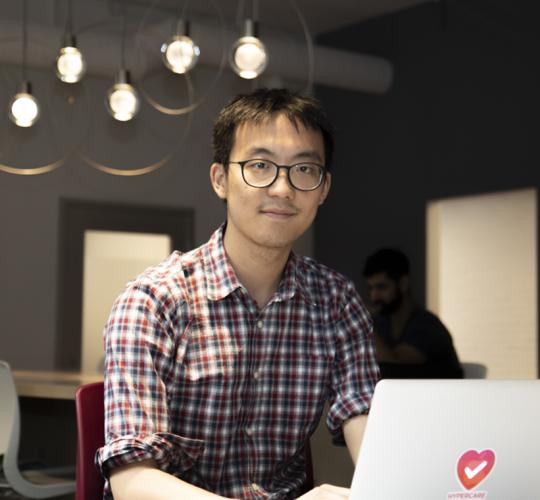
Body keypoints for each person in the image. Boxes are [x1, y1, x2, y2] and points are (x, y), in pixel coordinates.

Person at [95, 89, 380, 500]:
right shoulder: (153, 301)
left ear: (323, 189)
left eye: (304, 169)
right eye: (260, 166)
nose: (283, 188)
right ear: (220, 180)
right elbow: (131, 482)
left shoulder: (335, 301)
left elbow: (363, 415)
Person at [362, 248, 463, 379]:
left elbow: (393, 364)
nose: (374, 296)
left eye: (382, 287)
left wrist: (363, 322)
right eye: (371, 288)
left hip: (439, 397)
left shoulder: (428, 326)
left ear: (403, 283)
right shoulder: (382, 323)